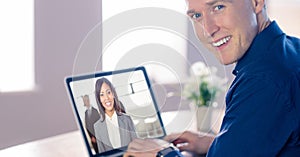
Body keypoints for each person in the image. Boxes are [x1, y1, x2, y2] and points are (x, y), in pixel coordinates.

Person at [125, 0, 300, 156]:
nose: (208, 30)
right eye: (197, 15)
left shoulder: (263, 81)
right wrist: (215, 143)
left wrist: (162, 153)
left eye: (218, 7)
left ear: (256, 2)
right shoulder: (290, 50)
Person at [93, 77, 137, 153]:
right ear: (99, 99)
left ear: (113, 94)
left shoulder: (127, 119)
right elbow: (102, 153)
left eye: (108, 92)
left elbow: (137, 147)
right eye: (102, 94)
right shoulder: (97, 127)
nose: (106, 98)